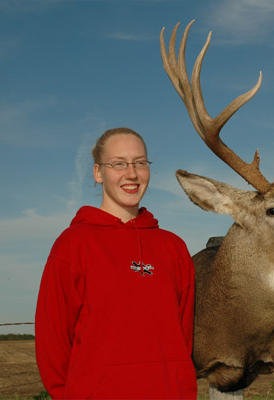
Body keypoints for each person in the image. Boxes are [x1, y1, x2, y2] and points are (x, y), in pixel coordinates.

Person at [35, 127, 197, 399]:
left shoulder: (174, 248)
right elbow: (53, 343)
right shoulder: (74, 244)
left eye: (140, 162)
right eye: (118, 164)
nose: (131, 174)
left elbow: (184, 338)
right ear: (98, 173)